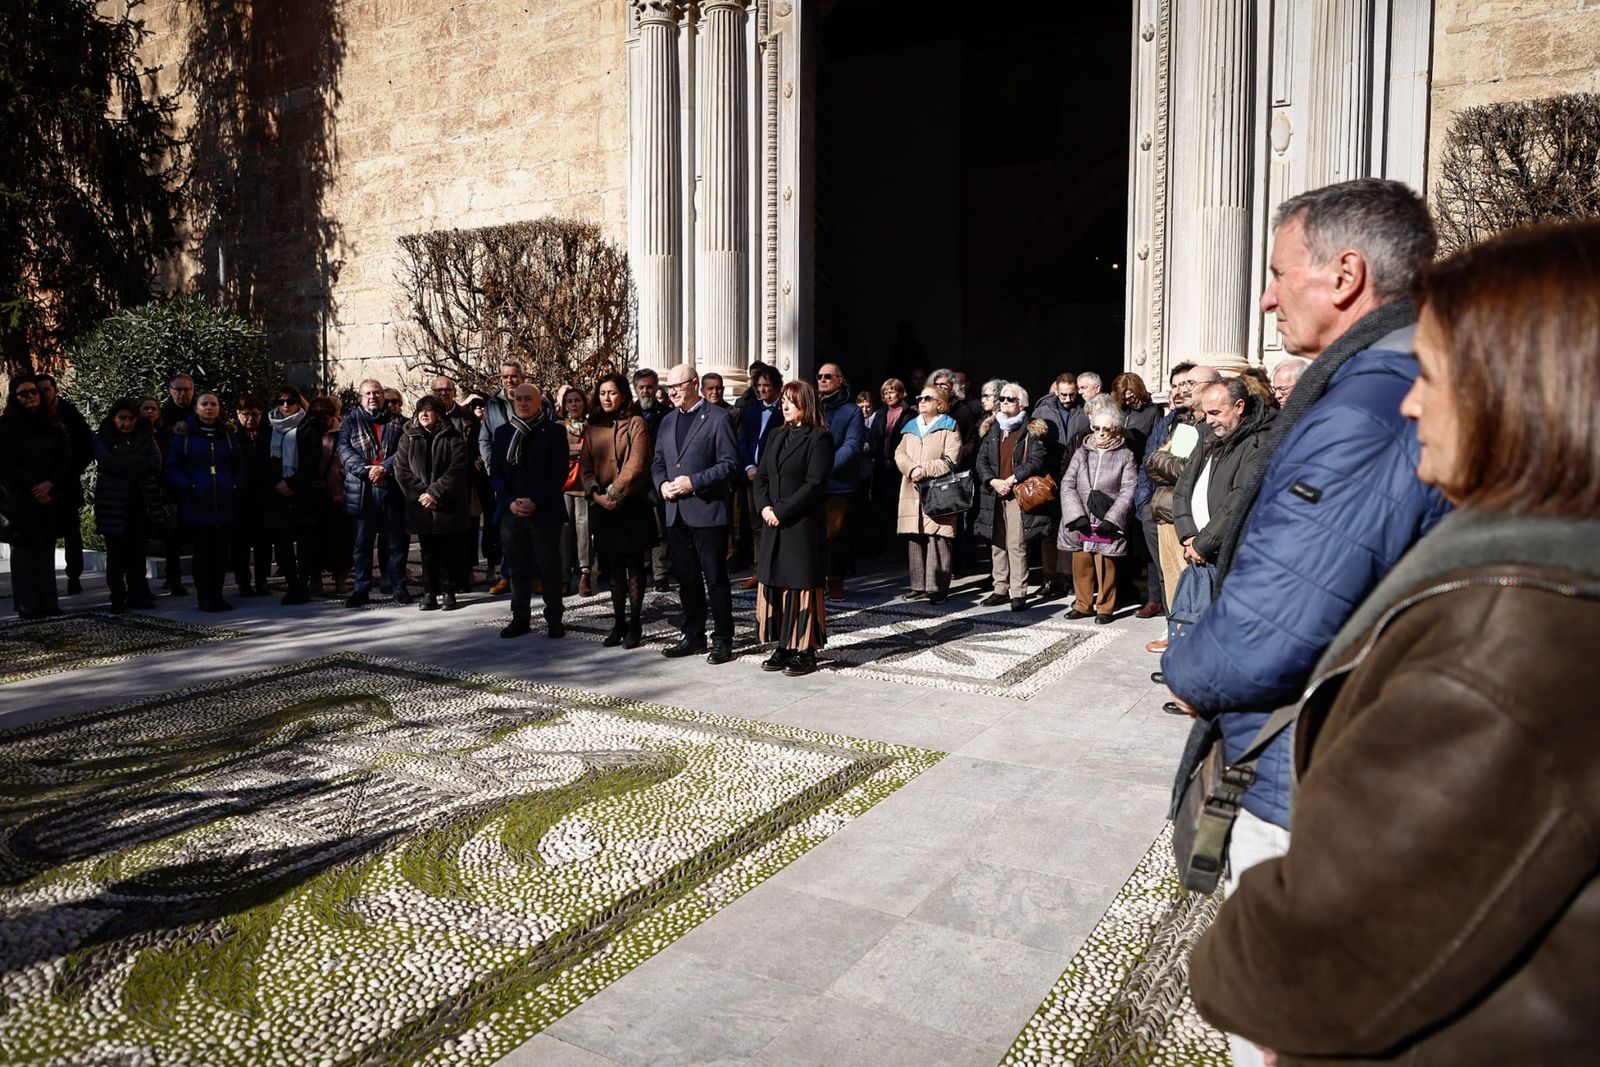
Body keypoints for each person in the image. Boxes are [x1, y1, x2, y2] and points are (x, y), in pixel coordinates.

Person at [1190, 219, 1600, 1067]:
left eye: (1435, 371)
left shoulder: (1500, 642)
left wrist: (1232, 955)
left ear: (1524, 390)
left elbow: (1310, 959)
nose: (1411, 400)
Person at [1162, 179, 1450, 1067]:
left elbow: (1265, 632)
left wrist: (1184, 662)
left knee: (1280, 1031)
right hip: (1342, 766)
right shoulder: (1392, 381)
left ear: (1347, 274)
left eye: (1281, 273)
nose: (1266, 294)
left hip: (1308, 784)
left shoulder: (1366, 407)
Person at [652, 364, 742, 663]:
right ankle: (693, 635)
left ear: (694, 384)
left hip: (706, 512)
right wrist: (662, 484)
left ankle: (723, 638)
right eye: (668, 388)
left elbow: (729, 464)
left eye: (676, 386)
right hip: (676, 513)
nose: (671, 392)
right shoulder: (666, 421)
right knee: (687, 579)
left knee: (715, 578)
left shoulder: (718, 418)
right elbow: (658, 463)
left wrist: (695, 481)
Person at [753, 380, 836, 676]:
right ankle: (784, 645)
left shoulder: (820, 438)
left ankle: (806, 649)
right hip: (773, 523)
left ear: (807, 403)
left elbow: (814, 484)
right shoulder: (776, 435)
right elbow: (761, 476)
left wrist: (782, 512)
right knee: (776, 582)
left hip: (801, 525)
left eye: (791, 400)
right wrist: (764, 508)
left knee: (800, 586)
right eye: (783, 401)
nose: (784, 406)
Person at [581, 373, 658, 648]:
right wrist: (595, 494)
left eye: (612, 393)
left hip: (631, 504)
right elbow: (586, 467)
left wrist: (615, 491)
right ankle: (618, 623)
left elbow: (637, 463)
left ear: (623, 394)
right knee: (612, 567)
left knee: (634, 566)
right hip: (603, 507)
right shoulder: (592, 426)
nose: (606, 398)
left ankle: (635, 623)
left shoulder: (635, 422)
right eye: (602, 393)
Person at [1143, 363, 1221, 638]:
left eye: (1191, 384)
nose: (1183, 389)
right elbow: (1152, 463)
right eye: (1182, 384)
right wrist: (1163, 461)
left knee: (1189, 584)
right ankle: (1175, 631)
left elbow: (1186, 470)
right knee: (1172, 579)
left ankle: (1188, 638)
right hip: (1164, 510)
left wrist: (1163, 461)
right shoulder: (1185, 423)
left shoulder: (1209, 428)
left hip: (1185, 517)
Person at [1171, 379, 1276, 567]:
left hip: (1234, 556)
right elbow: (1182, 490)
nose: (1208, 420)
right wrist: (1188, 536)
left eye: (1215, 413)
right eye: (1206, 413)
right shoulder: (1210, 440)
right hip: (1200, 550)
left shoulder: (1260, 442)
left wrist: (1202, 544)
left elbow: (1240, 498)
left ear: (1239, 407)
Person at [491, 384, 568, 637]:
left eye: (528, 399)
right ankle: (520, 617)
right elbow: (496, 473)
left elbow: (558, 473)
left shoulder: (554, 432)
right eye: (518, 399)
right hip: (512, 512)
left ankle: (554, 618)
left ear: (539, 403)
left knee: (549, 567)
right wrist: (510, 500)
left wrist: (535, 500)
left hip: (544, 511)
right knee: (517, 568)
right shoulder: (503, 433)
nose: (522, 403)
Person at [973, 383, 1055, 610]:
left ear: (1021, 403)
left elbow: (1037, 460)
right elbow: (980, 461)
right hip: (994, 492)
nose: (1004, 402)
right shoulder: (992, 428)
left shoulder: (1031, 429)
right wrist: (992, 481)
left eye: (1010, 399)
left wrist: (1011, 479)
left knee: (1016, 543)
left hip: (1017, 493)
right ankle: (1000, 588)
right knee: (997, 543)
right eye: (1002, 398)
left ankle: (1018, 592)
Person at [1058, 400, 1137, 623]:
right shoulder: (1081, 451)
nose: (1100, 433)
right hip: (1081, 515)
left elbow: (1129, 489)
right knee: (1081, 560)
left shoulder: (1126, 455)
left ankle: (1105, 607)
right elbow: (1068, 483)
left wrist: (1112, 519)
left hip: (1106, 517)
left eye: (1106, 429)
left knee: (1106, 563)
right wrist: (1076, 515)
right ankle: (1083, 604)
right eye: (1096, 428)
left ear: (1116, 430)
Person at [165, 391, 243, 612]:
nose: (209, 408)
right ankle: (204, 596)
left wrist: (236, 483)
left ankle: (217, 595)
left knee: (220, 552)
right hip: (197, 502)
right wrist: (188, 485)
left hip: (224, 501)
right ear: (197, 408)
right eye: (204, 404)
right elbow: (172, 466)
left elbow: (238, 462)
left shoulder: (227, 434)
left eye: (213, 404)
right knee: (202, 551)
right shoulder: (185, 435)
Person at [337, 379, 412, 606]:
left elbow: (404, 450)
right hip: (361, 490)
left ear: (383, 395)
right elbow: (344, 450)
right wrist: (367, 471)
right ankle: (361, 588)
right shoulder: (349, 423)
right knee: (362, 545)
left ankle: (399, 586)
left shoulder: (400, 422)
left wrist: (384, 468)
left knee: (395, 543)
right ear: (361, 398)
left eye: (377, 393)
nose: (373, 397)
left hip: (391, 489)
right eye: (368, 393)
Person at [1, 375, 70, 618]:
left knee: (45, 551)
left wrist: (50, 484)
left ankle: (49, 601)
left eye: (33, 392)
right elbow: (6, 464)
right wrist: (33, 486)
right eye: (24, 393)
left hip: (49, 496)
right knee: (25, 554)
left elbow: (64, 458)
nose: (30, 397)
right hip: (20, 499)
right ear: (15, 397)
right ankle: (27, 604)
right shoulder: (6, 427)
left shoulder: (53, 425)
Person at [395, 394, 471, 611]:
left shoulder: (453, 436)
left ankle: (449, 591)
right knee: (427, 551)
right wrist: (423, 495)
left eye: (429, 410)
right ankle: (429, 591)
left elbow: (457, 470)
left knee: (448, 551)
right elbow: (402, 470)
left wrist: (436, 494)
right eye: (421, 411)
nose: (425, 415)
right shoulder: (408, 437)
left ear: (439, 413)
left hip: (446, 505)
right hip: (421, 505)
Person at [93, 399, 165, 612]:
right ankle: (117, 596)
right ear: (113, 418)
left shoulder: (145, 435)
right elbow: (106, 463)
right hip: (113, 504)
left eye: (130, 419)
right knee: (116, 555)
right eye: (121, 418)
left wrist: (124, 462)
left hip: (140, 502)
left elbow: (154, 462)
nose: (126, 424)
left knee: (137, 553)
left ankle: (138, 594)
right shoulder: (103, 436)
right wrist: (134, 461)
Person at [894, 384, 962, 603]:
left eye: (927, 398)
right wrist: (911, 469)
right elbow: (899, 453)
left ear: (939, 403)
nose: (922, 401)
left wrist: (925, 470)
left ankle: (937, 588)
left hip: (937, 490)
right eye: (920, 398)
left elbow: (951, 459)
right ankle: (918, 585)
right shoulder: (911, 426)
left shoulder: (949, 426)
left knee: (938, 538)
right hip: (912, 488)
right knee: (915, 536)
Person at [259, 386, 325, 605]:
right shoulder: (268, 426)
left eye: (290, 401)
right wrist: (276, 483)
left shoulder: (309, 425)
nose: (286, 406)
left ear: (298, 402)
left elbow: (312, 461)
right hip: (276, 493)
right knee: (282, 543)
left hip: (301, 492)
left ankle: (303, 583)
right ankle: (292, 584)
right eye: (281, 401)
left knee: (306, 542)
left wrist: (292, 483)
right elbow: (264, 460)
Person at [35, 375, 93, 595]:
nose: (42, 394)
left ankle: (74, 577)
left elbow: (84, 447)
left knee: (71, 534)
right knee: (45, 535)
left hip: (66, 485)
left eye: (46, 389)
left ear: (55, 390)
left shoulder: (69, 413)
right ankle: (46, 581)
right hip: (42, 487)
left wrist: (65, 475)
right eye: (38, 390)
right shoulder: (32, 416)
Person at [816, 362, 866, 599]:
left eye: (828, 376)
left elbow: (852, 445)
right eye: (820, 376)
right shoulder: (813, 406)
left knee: (836, 536)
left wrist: (825, 468)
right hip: (812, 483)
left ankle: (836, 580)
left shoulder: (852, 411)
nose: (823, 380)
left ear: (840, 380)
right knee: (812, 535)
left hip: (839, 483)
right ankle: (815, 579)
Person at [1032, 372, 1083, 597]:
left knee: (1074, 526)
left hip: (1077, 474)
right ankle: (1050, 578)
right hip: (1049, 474)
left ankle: (1072, 579)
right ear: (1056, 391)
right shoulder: (1043, 410)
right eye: (1063, 395)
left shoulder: (1085, 410)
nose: (1067, 399)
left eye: (1072, 394)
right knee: (1049, 529)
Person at [478, 361, 525, 596]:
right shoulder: (493, 405)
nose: (510, 381)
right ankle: (507, 576)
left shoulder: (535, 400)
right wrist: (490, 466)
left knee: (532, 527)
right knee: (507, 530)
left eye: (514, 376)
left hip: (529, 476)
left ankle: (533, 575)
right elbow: (484, 440)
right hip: (503, 477)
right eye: (505, 377)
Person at [735, 364, 783, 590]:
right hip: (751, 476)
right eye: (759, 386)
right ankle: (758, 570)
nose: (762, 390)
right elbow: (742, 440)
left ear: (776, 387)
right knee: (756, 525)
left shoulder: (785, 410)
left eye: (767, 386)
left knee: (774, 522)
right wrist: (748, 466)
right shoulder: (752, 409)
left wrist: (763, 470)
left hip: (774, 477)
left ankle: (776, 570)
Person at [231, 394, 274, 596]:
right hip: (240, 497)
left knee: (263, 543)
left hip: (263, 495)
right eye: (246, 414)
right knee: (240, 543)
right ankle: (243, 582)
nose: (250, 418)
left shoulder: (268, 434)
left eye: (255, 414)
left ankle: (262, 579)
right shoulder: (231, 436)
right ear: (238, 414)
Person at [869, 377, 915, 553]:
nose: (888, 396)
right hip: (882, 466)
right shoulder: (881, 413)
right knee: (883, 507)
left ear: (901, 393)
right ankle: (886, 546)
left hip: (901, 468)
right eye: (885, 393)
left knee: (899, 507)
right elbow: (874, 437)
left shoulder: (909, 414)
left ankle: (899, 548)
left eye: (892, 391)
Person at [555, 384, 594, 596]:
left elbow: (595, 450)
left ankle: (585, 573)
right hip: (563, 484)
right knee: (564, 530)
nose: (574, 404)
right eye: (569, 401)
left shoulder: (591, 426)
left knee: (584, 528)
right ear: (564, 405)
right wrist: (578, 450)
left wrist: (576, 452)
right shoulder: (559, 427)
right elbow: (555, 452)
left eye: (577, 400)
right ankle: (564, 575)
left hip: (584, 483)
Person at [311, 395, 351, 595]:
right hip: (314, 495)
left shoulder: (344, 431)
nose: (321, 421)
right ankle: (315, 578)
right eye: (317, 417)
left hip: (339, 493)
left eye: (325, 416)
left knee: (340, 541)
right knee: (315, 541)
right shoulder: (309, 431)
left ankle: (340, 579)